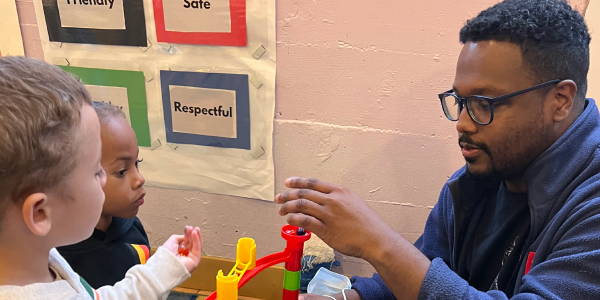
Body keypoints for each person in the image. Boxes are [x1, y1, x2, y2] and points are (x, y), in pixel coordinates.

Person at [276, 0, 600, 299]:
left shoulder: (591, 206)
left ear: (560, 101)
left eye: (483, 103)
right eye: (460, 101)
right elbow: (421, 273)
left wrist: (378, 243)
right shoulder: (476, 179)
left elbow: (414, 273)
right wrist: (353, 297)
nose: (462, 123)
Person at [0, 56, 202, 300]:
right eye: (97, 171)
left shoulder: (36, 257)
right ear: (40, 213)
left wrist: (161, 270)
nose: (104, 181)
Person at [57, 102, 151, 288]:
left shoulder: (131, 227)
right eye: (122, 172)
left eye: (137, 163)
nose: (139, 179)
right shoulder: (61, 264)